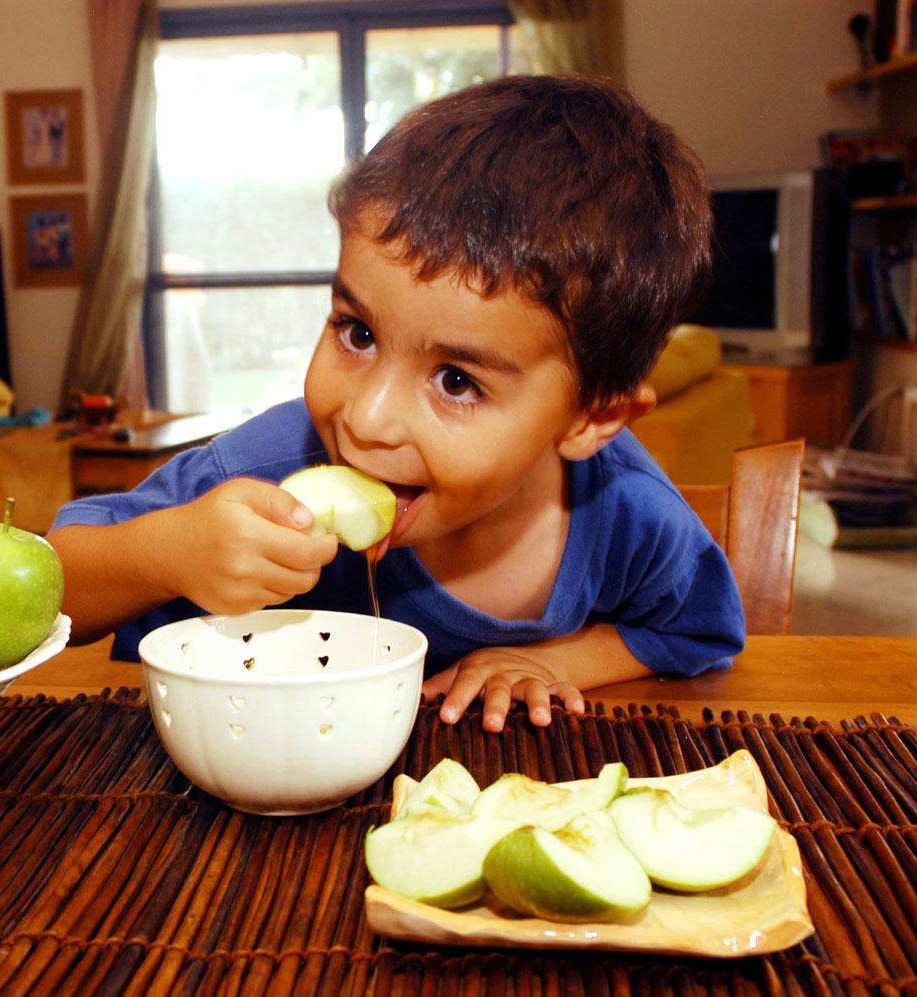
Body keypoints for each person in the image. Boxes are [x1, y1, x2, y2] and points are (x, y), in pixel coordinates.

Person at [47, 75, 745, 732]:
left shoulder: (624, 511)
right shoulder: (268, 467)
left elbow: (700, 628)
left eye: (457, 381)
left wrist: (560, 661)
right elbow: (52, 587)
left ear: (590, 418)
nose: (365, 419)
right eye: (357, 332)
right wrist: (170, 552)